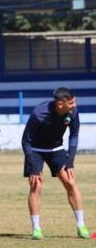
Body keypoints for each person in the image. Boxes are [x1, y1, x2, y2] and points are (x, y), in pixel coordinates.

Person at [21, 87, 88, 239]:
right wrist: (32, 167)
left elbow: (74, 135)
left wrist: (70, 161)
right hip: (35, 150)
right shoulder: (39, 113)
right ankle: (36, 229)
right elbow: (26, 141)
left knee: (71, 183)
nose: (74, 105)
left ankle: (81, 225)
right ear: (60, 104)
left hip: (56, 149)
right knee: (36, 185)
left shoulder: (73, 113)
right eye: (71, 103)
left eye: (74, 101)